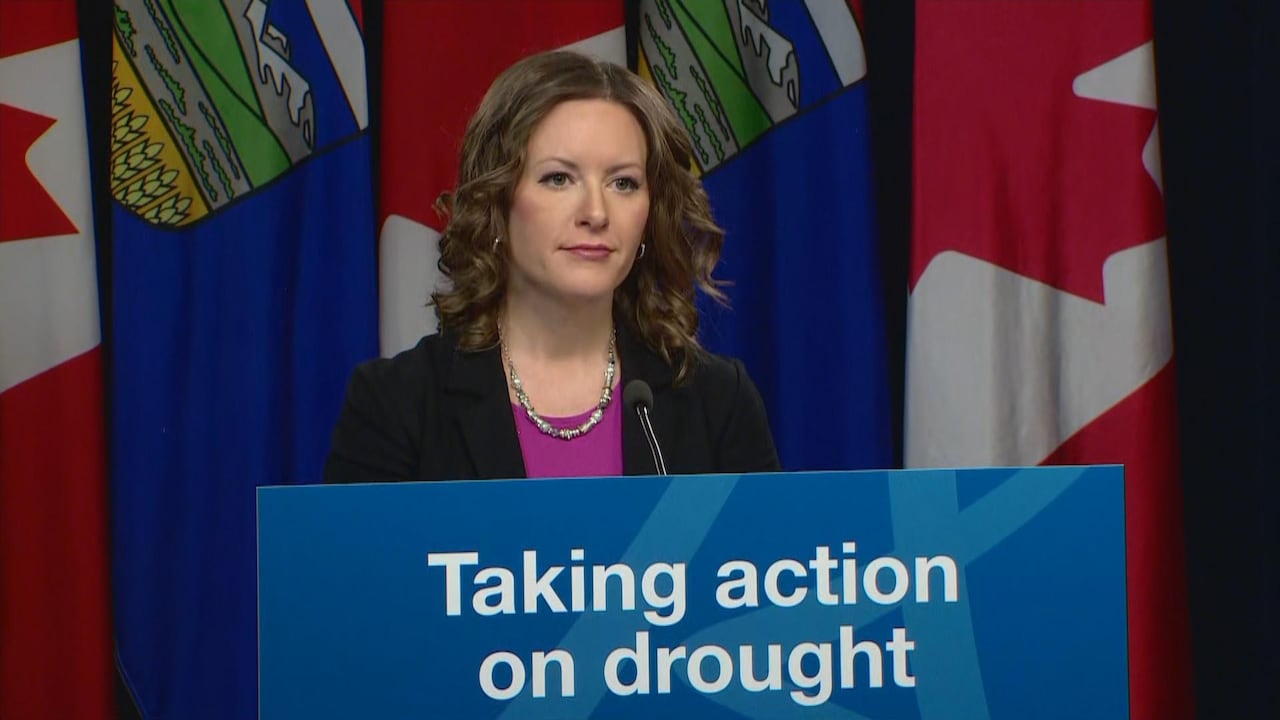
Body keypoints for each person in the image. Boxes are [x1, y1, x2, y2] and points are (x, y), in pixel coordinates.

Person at [323, 50, 779, 483]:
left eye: (623, 182)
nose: (596, 213)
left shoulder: (718, 402)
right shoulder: (398, 405)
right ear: (496, 202)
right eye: (558, 179)